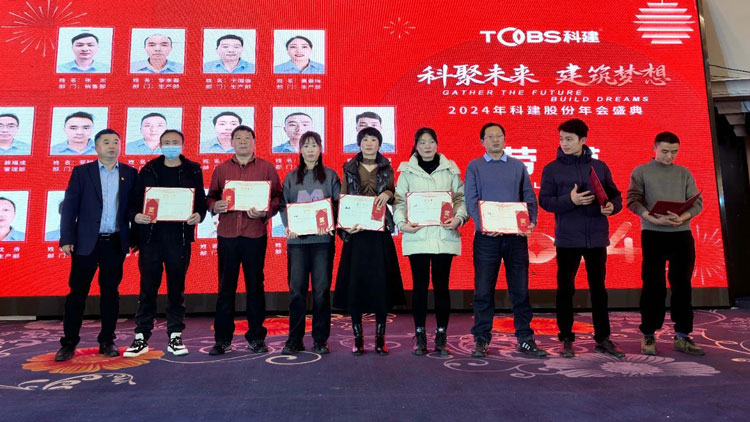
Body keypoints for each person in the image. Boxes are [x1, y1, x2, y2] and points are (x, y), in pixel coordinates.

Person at [538, 119, 625, 358]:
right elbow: (545, 201)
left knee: (599, 290)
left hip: (596, 237)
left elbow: (615, 196)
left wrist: (612, 207)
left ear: (583, 140)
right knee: (565, 289)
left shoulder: (599, 166)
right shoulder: (552, 169)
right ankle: (566, 337)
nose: (564, 144)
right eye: (561, 139)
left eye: (569, 139)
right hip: (567, 238)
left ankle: (603, 338)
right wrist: (571, 200)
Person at [53, 129, 137, 362]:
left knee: (111, 294)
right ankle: (69, 343)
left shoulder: (130, 173)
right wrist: (66, 238)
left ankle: (107, 340)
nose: (112, 146)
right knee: (77, 294)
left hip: (115, 242)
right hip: (85, 243)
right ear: (96, 147)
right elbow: (70, 207)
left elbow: (134, 208)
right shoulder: (82, 172)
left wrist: (135, 238)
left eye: (115, 142)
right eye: (106, 142)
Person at [464, 122, 547, 358]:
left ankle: (525, 338)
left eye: (499, 136)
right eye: (490, 137)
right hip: (486, 238)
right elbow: (471, 200)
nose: (495, 140)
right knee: (483, 290)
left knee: (520, 290)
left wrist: (531, 221)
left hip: (515, 238)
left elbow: (529, 197)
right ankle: (481, 338)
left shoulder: (517, 166)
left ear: (504, 139)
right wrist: (484, 226)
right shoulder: (474, 166)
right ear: (482, 141)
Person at [124, 129, 206, 357]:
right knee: (147, 289)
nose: (171, 146)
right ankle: (141, 336)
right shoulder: (148, 169)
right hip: (151, 238)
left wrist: (199, 216)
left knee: (176, 289)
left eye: (175, 142)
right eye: (167, 142)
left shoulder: (193, 169)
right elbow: (134, 203)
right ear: (160, 146)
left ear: (183, 145)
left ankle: (175, 335)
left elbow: (200, 203)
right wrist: (136, 216)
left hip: (179, 238)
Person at [205, 125, 282, 355]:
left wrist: (266, 210)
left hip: (254, 234)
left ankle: (256, 338)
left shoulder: (267, 168)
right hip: (227, 234)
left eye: (247, 138)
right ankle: (222, 339)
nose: (242, 142)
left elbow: (278, 197)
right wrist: (215, 206)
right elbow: (211, 197)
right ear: (231, 142)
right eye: (238, 138)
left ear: (254, 142)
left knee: (255, 287)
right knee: (225, 288)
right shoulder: (221, 169)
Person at [627, 131, 705, 356]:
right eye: (665, 151)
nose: (670, 156)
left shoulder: (684, 172)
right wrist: (651, 218)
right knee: (653, 286)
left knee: (682, 285)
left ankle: (683, 335)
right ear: (654, 148)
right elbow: (633, 200)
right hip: (653, 233)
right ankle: (648, 333)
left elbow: (697, 203)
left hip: (681, 234)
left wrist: (684, 216)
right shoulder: (641, 171)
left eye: (674, 152)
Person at [393, 127, 467, 356]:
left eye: (431, 142)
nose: (427, 146)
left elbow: (460, 199)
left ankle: (441, 334)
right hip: (417, 235)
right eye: (422, 142)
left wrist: (458, 218)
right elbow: (398, 202)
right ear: (416, 146)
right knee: (420, 287)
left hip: (444, 235)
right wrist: (402, 224)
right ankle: (420, 334)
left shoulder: (450, 170)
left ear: (437, 144)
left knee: (442, 286)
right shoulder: (406, 172)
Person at [334, 127, 405, 356]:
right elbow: (343, 198)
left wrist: (389, 194)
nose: (369, 143)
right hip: (357, 232)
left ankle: (380, 338)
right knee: (355, 285)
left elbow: (393, 193)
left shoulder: (387, 167)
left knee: (380, 285)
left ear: (379, 144)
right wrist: (345, 226)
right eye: (365, 140)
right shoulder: (349, 168)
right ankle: (358, 338)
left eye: (374, 139)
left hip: (379, 231)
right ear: (359, 143)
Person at [279, 131, 340, 355]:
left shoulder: (331, 176)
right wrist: (289, 225)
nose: (310, 150)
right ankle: (294, 339)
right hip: (297, 243)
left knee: (321, 291)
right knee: (297, 292)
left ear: (321, 149)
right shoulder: (290, 177)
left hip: (322, 241)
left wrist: (330, 222)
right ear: (300, 150)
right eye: (306, 145)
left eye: (314, 145)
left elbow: (337, 204)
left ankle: (320, 339)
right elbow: (283, 206)